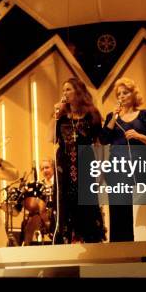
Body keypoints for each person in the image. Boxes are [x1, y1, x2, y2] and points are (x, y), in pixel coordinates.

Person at [100, 77, 146, 242]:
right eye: (119, 94)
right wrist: (114, 117)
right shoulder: (112, 116)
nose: (122, 96)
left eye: (125, 92)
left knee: (142, 215)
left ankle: (145, 251)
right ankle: (121, 251)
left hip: (140, 169)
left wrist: (139, 136)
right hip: (117, 171)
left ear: (133, 94)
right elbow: (104, 139)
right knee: (119, 215)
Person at [53, 77, 105, 244]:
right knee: (66, 199)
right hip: (65, 164)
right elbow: (52, 138)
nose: (65, 93)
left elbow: (98, 142)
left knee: (86, 200)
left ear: (78, 91)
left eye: (68, 89)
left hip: (85, 161)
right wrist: (56, 115)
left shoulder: (91, 114)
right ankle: (67, 238)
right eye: (63, 90)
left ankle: (90, 239)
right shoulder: (61, 115)